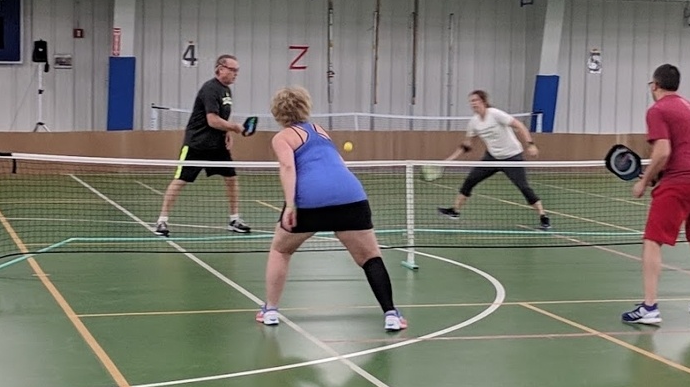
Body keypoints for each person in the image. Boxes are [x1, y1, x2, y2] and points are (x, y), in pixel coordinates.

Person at [257, 86, 406, 332]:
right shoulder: (319, 130)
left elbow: (287, 167)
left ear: (277, 113)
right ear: (305, 107)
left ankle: (270, 310)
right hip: (350, 196)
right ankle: (391, 314)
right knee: (370, 258)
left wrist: (291, 204)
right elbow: (337, 164)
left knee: (281, 250)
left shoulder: (281, 137)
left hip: (309, 201)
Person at [622, 64, 690, 325]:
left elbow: (663, 151)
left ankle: (649, 307)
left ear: (655, 85)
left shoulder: (657, 110)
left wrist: (644, 181)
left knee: (652, 240)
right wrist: (659, 173)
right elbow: (685, 148)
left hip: (681, 182)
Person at [154, 54, 251, 237]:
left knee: (231, 179)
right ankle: (161, 221)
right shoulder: (210, 89)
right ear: (220, 68)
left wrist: (227, 132)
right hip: (197, 144)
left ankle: (234, 219)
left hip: (217, 146)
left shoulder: (226, 91)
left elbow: (222, 116)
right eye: (232, 70)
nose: (235, 74)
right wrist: (236, 127)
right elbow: (212, 120)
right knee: (180, 181)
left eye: (237, 70)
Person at [437, 90, 550, 230]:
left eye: (475, 100)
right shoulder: (474, 122)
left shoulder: (495, 114)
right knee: (470, 181)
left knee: (524, 187)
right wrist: (449, 160)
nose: (473, 103)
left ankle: (543, 217)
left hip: (512, 156)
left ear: (483, 101)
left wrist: (530, 145)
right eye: (471, 101)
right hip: (491, 157)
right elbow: (467, 145)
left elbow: (519, 126)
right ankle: (454, 211)